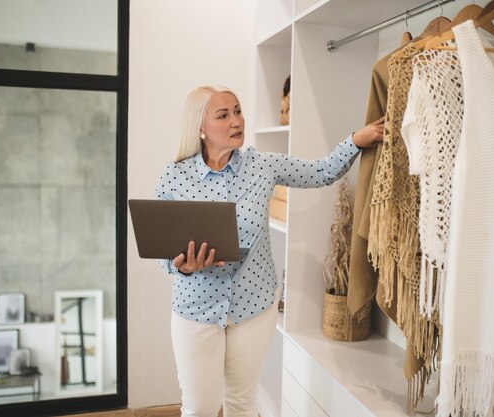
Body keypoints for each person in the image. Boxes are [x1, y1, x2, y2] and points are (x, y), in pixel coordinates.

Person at [154, 85, 384, 417]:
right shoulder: (174, 176)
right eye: (223, 115)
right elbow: (161, 249)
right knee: (199, 408)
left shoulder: (262, 165)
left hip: (254, 307)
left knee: (242, 404)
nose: (236, 121)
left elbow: (322, 171)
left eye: (237, 111)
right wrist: (182, 266)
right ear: (200, 129)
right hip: (195, 310)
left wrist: (355, 140)